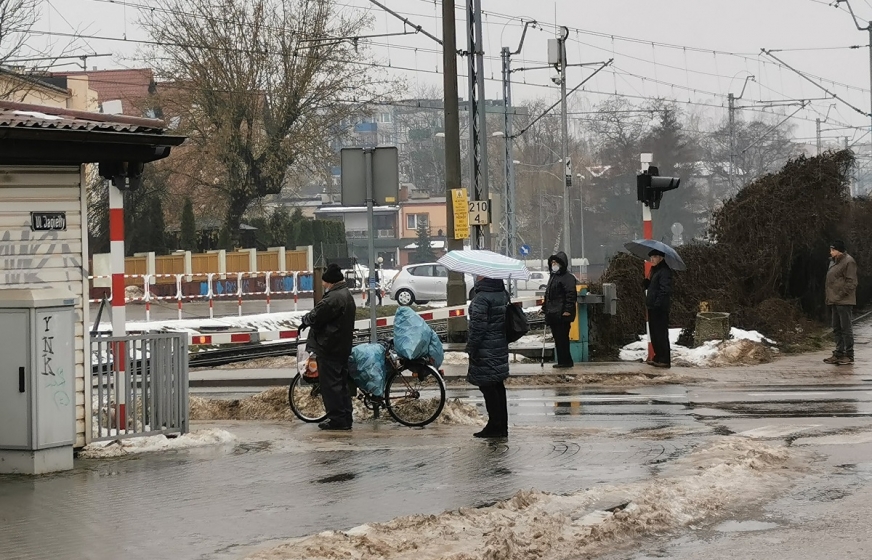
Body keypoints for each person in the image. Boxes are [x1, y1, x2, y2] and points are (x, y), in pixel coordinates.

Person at [300, 263, 357, 430]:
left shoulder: (333, 298)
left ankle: (337, 420)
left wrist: (305, 320)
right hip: (342, 346)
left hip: (330, 347)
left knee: (331, 386)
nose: (323, 284)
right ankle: (345, 418)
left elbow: (316, 316)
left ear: (331, 282)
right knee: (341, 385)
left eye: (325, 282)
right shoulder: (345, 294)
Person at [466, 275, 510, 438]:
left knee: (488, 387)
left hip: (486, 348)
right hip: (499, 345)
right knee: (497, 385)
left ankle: (495, 426)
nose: (476, 277)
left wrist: (471, 347)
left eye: (478, 274)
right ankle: (501, 425)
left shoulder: (481, 298)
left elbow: (478, 328)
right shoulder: (501, 293)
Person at [824, 240, 857, 366]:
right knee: (836, 328)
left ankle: (849, 354)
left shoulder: (849, 262)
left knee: (846, 328)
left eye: (833, 250)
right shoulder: (833, 261)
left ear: (839, 250)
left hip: (844, 301)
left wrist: (840, 295)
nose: (831, 252)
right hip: (834, 300)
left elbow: (852, 282)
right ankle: (839, 353)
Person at [541, 251, 577, 368]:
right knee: (558, 338)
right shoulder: (553, 277)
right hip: (553, 313)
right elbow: (549, 295)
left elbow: (570, 295)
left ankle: (566, 361)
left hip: (562, 314)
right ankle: (563, 361)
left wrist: (568, 310)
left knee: (562, 338)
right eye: (552, 262)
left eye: (555, 262)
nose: (553, 264)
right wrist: (544, 307)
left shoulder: (567, 278)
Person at [644, 249, 673, 368]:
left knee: (660, 333)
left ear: (661, 258)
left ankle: (664, 358)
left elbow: (664, 290)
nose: (652, 259)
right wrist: (647, 284)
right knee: (654, 333)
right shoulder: (655, 271)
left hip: (659, 308)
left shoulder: (664, 271)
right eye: (651, 257)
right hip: (652, 306)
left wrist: (658, 303)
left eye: (655, 257)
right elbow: (654, 287)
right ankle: (658, 356)